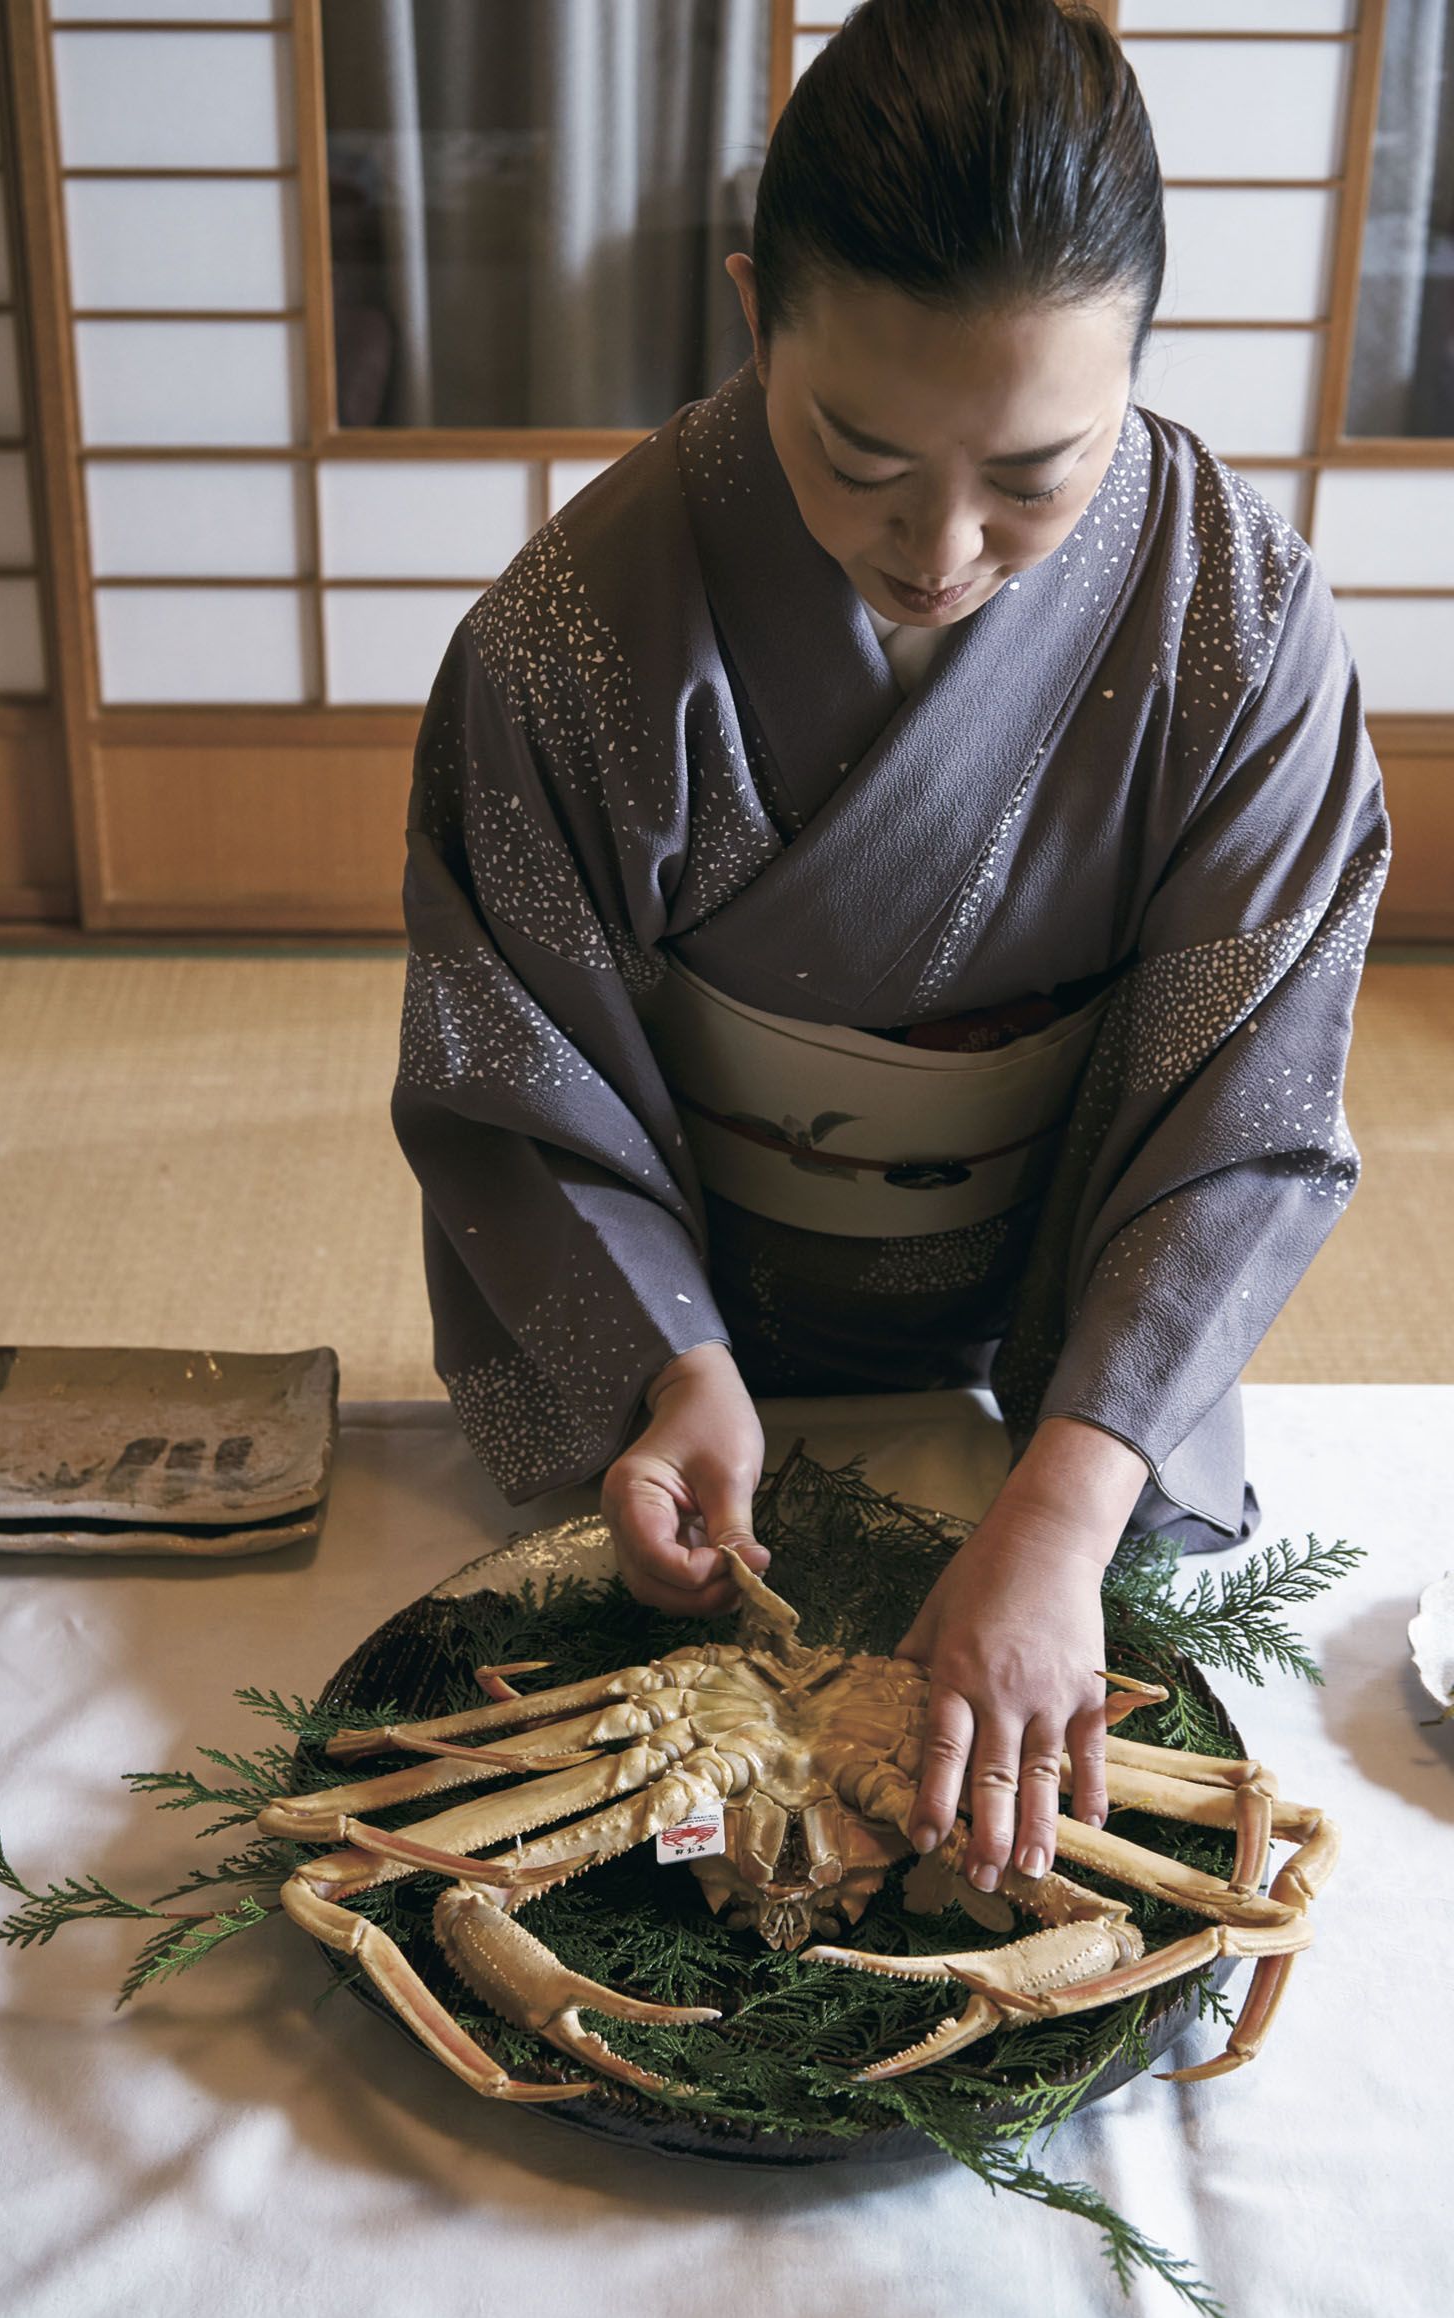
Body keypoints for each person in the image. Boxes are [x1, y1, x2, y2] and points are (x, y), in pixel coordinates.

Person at [391, 0, 1387, 1904]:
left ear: (1142, 367)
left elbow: (1245, 1100)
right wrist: (665, 1361)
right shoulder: (574, 632)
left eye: (1036, 471)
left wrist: (1073, 1498)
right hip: (700, 1313)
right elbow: (513, 1062)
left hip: (1055, 1312)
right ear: (757, 310)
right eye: (860, 455)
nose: (941, 545)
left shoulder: (1241, 631)